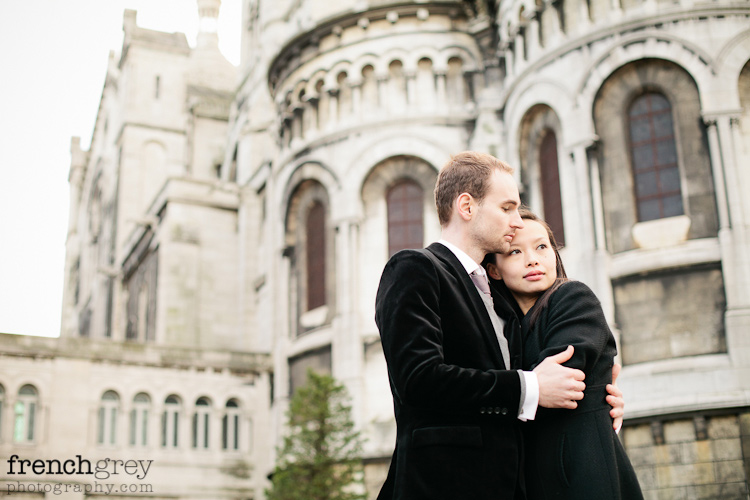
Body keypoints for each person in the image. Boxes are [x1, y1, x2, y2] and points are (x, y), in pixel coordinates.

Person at [375, 151, 624, 500]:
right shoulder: (416, 268)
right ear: (467, 206)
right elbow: (419, 378)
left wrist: (597, 400)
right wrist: (530, 388)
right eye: (506, 208)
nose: (518, 221)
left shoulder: (502, 297)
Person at [483, 208, 643, 500]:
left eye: (542, 247)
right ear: (494, 269)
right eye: (515, 251)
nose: (533, 259)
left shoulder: (573, 298)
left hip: (580, 476)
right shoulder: (506, 329)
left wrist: (492, 391)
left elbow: (561, 379)